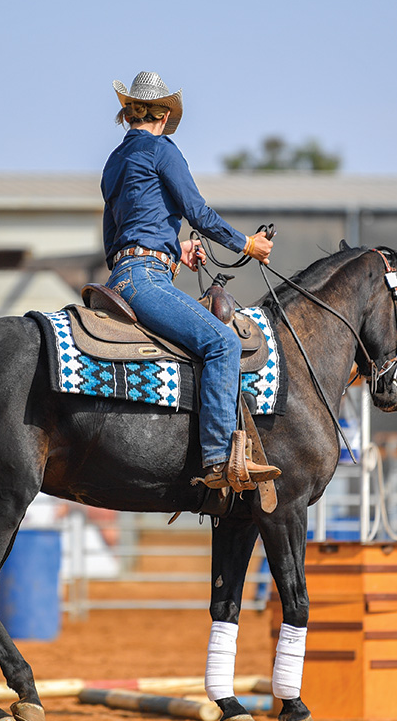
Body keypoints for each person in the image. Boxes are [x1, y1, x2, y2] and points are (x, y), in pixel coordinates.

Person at [102, 71, 280, 490]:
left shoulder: (114, 162)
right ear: (163, 115)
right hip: (146, 279)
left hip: (121, 277)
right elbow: (198, 214)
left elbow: (115, 239)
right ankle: (220, 459)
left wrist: (172, 248)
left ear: (129, 114)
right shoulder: (163, 150)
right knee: (223, 343)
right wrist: (247, 244)